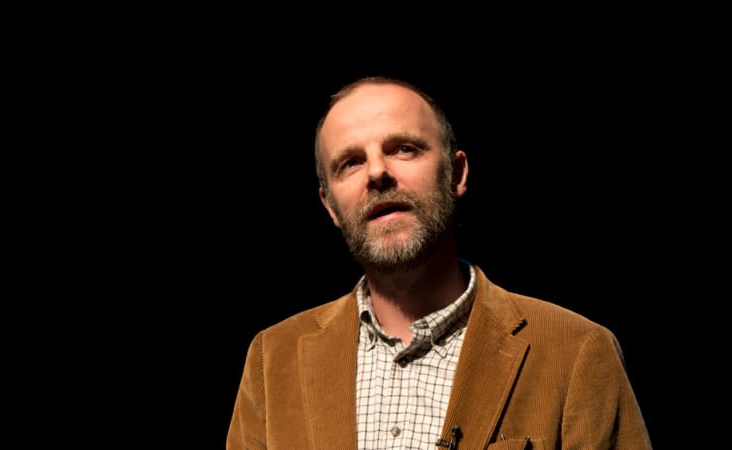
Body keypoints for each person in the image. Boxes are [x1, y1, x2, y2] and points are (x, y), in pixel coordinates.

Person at [227, 76, 652, 449]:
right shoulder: (272, 359)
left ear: (456, 174)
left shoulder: (577, 351)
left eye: (404, 149)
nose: (377, 172)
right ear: (331, 206)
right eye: (351, 162)